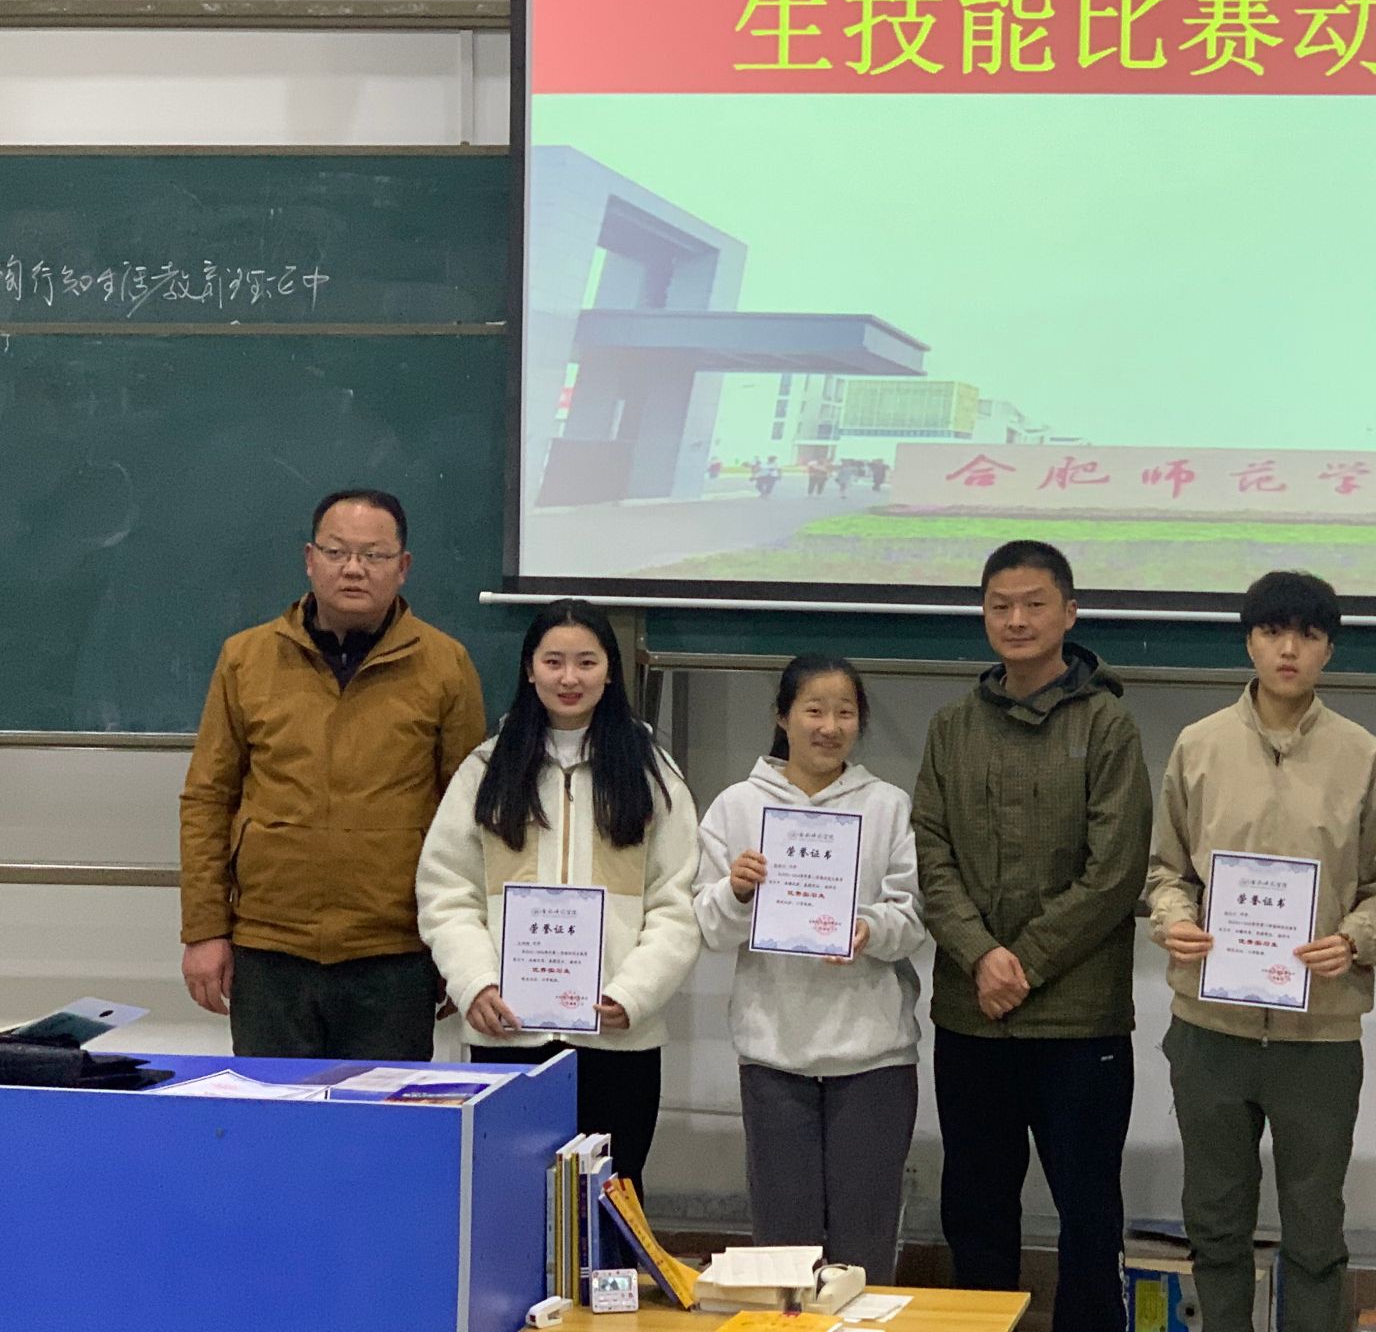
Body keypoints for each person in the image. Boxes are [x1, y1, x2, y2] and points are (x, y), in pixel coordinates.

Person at [1148, 571, 1376, 1332]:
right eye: (1272, 632)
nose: (1289, 649)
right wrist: (1173, 919)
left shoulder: (1362, 755)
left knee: (1316, 1231)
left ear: (1329, 649)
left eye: (1308, 634)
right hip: (1211, 1028)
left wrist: (1353, 940)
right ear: (1249, 641)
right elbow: (1166, 872)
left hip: (1318, 1036)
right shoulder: (1198, 745)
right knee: (1215, 1222)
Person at [911, 539, 1152, 1332]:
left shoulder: (1108, 725)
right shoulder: (952, 726)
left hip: (1079, 1023)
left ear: (1069, 614)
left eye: (1034, 604)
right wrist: (982, 957)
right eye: (1000, 606)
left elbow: (1115, 871)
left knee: (1089, 1214)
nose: (1016, 620)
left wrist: (1025, 962)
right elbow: (930, 854)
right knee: (975, 1210)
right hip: (971, 1014)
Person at [178, 489, 486, 1060]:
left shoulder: (446, 664)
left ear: (403, 567)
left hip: (395, 950)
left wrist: (461, 948)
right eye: (337, 551)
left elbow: (467, 813)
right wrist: (204, 930)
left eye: (374, 555)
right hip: (269, 944)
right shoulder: (246, 658)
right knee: (273, 1112)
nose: (353, 569)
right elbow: (207, 799)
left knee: (380, 1115)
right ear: (309, 559)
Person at [416, 599, 700, 1196]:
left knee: (611, 1197)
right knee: (510, 1197)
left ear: (610, 671)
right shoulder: (486, 769)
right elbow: (447, 891)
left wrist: (634, 994)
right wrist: (475, 984)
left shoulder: (653, 773)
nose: (569, 678)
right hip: (508, 1030)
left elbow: (677, 904)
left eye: (586, 662)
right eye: (554, 662)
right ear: (529, 669)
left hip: (617, 1034)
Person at [694, 655, 925, 1284]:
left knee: (864, 1245)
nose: (829, 726)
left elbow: (913, 916)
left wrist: (869, 929)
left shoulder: (887, 805)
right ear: (783, 717)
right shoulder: (737, 806)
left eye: (845, 712)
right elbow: (708, 926)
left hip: (873, 1058)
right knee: (783, 1248)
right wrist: (736, 892)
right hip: (774, 1056)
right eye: (814, 710)